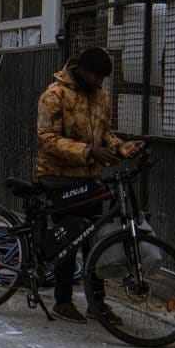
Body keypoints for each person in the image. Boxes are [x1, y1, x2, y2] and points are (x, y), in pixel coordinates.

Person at [36, 46, 143, 324]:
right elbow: (47, 139)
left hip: (88, 178)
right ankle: (62, 301)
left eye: (103, 78)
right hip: (58, 177)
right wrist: (87, 151)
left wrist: (119, 147)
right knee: (69, 240)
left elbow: (104, 132)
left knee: (95, 240)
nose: (100, 81)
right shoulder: (54, 95)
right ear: (81, 70)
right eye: (96, 75)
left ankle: (97, 303)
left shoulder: (101, 97)